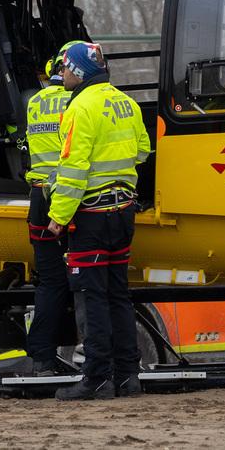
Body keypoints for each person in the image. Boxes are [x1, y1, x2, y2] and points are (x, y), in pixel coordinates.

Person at [48, 42, 151, 401]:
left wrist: (58, 217)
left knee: (91, 299)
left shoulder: (80, 107)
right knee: (118, 296)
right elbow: (142, 150)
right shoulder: (126, 102)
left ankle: (96, 378)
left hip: (91, 217)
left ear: (78, 71)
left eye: (65, 68)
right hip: (123, 213)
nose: (62, 74)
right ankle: (128, 377)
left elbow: (73, 170)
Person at [24, 41, 80, 375]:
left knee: (49, 281)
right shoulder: (78, 101)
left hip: (38, 198)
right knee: (86, 276)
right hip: (69, 197)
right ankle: (94, 355)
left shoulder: (35, 101)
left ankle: (42, 358)